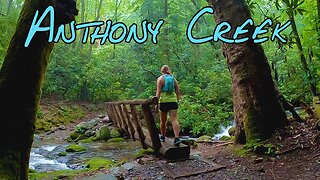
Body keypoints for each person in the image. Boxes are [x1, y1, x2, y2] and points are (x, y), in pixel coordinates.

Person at [156, 65, 182, 146]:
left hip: (163, 101)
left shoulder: (160, 79)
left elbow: (158, 92)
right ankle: (177, 138)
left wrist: (156, 103)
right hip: (173, 101)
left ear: (162, 71)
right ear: (168, 70)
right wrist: (177, 100)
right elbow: (178, 91)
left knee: (163, 121)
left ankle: (163, 136)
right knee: (174, 120)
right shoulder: (173, 79)